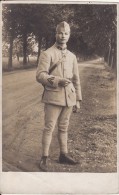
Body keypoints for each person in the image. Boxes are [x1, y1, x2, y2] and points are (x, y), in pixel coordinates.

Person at [36, 21, 82, 172]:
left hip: (69, 97)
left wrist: (78, 99)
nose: (63, 36)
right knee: (49, 127)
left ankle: (63, 154)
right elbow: (40, 75)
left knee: (64, 127)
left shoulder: (72, 56)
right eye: (60, 33)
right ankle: (44, 158)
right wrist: (57, 80)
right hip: (53, 96)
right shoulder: (47, 53)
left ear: (69, 36)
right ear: (55, 34)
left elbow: (76, 79)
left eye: (66, 33)